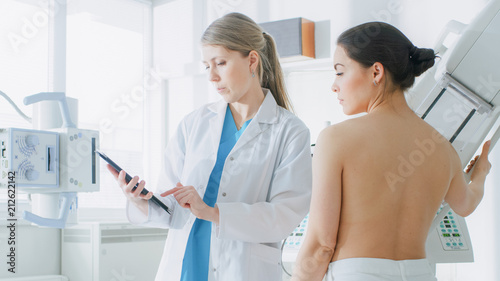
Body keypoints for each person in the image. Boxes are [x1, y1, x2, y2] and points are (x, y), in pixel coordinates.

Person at [108, 12, 312, 281]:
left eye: (221, 63)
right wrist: (140, 200)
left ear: (252, 60)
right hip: (184, 268)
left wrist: (213, 213)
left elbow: (284, 217)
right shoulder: (194, 124)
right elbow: (170, 208)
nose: (212, 77)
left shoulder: (289, 131)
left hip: (242, 270)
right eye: (207, 66)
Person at [291, 21, 492, 281]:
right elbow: (466, 204)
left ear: (376, 72)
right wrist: (481, 173)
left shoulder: (335, 140)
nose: (334, 85)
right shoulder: (442, 149)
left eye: (340, 72)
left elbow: (322, 245)